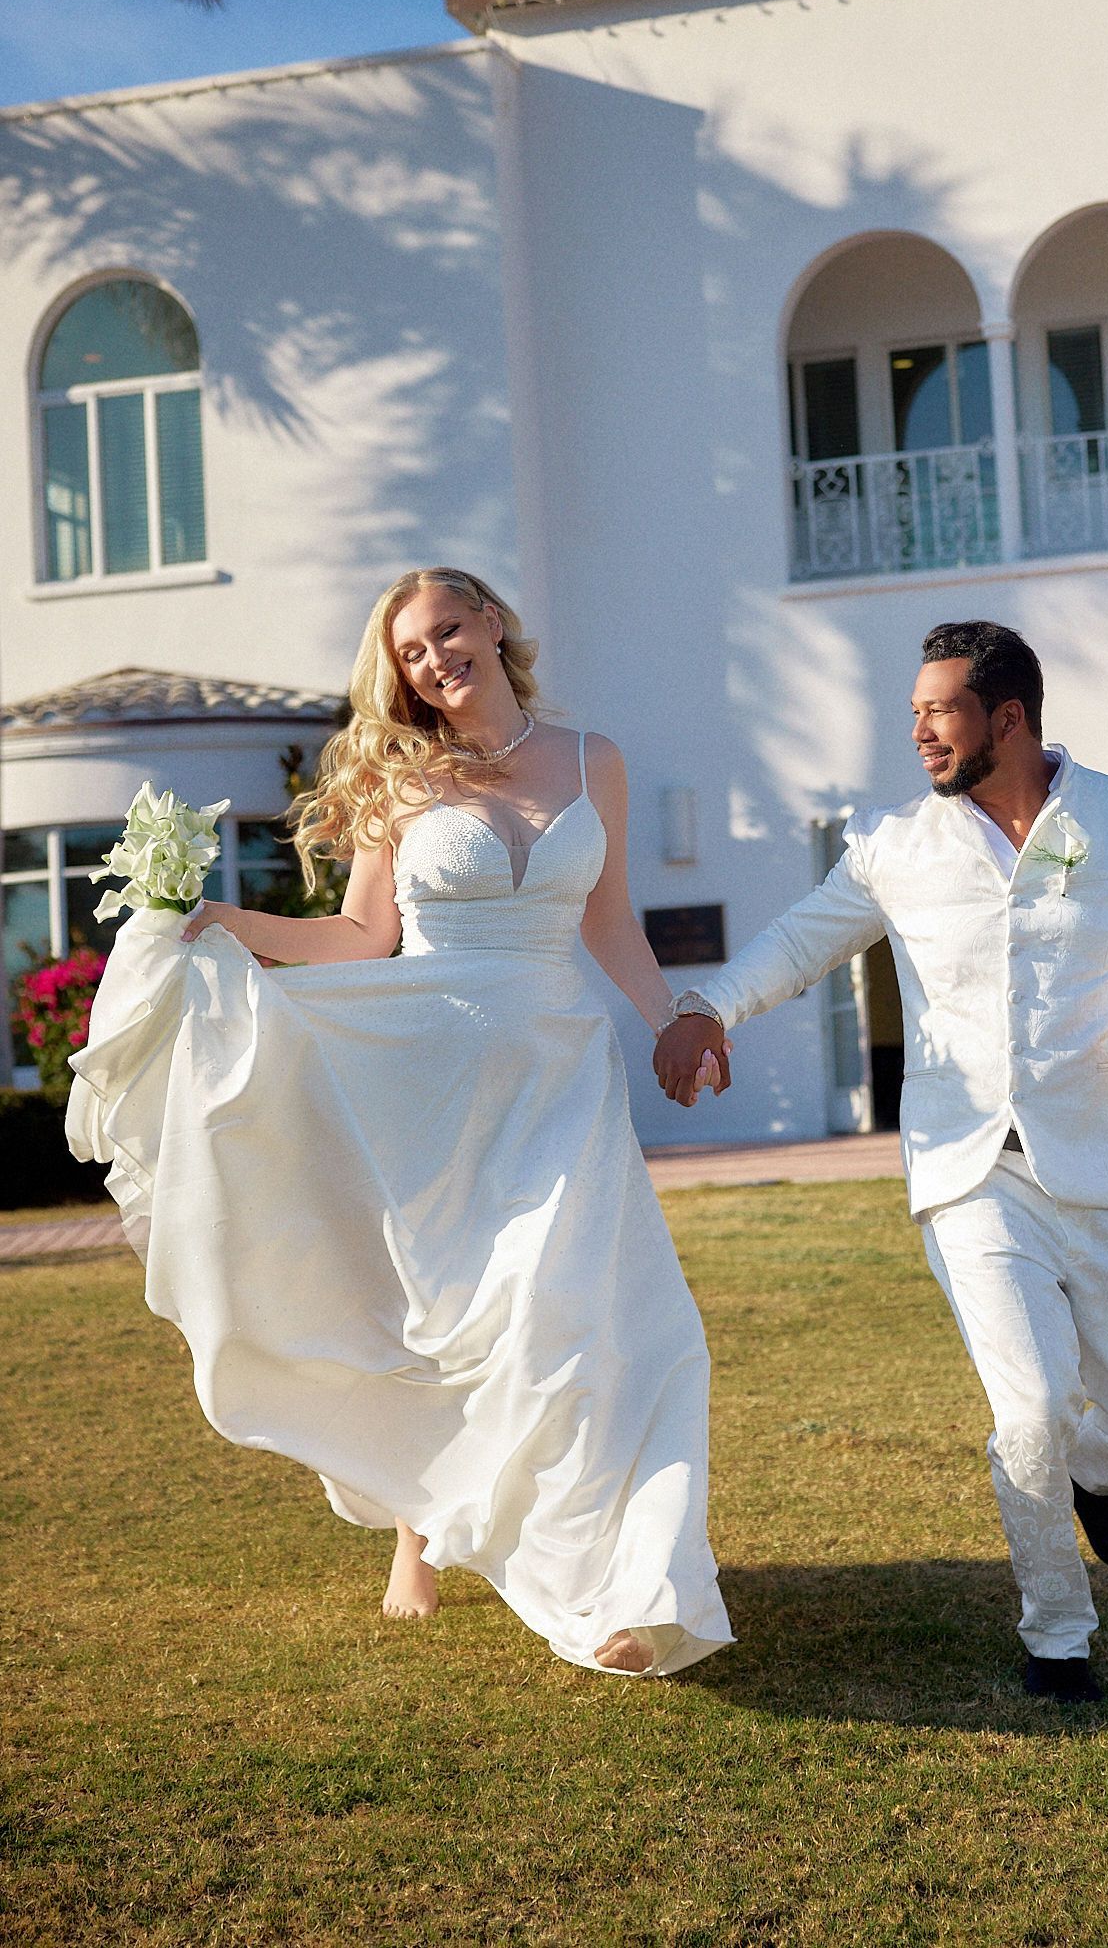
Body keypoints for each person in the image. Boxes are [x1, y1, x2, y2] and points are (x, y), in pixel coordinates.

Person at [68, 567, 731, 1679]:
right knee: (439, 1311)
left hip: (563, 1074)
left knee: (572, 1323)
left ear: (494, 624)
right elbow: (361, 936)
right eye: (413, 651)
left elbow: (610, 920)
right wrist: (221, 919)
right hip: (428, 1073)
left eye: (448, 631)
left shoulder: (593, 760)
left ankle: (619, 1589)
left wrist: (681, 1013)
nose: (434, 660)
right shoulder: (399, 779)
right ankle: (419, 1532)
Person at [655, 620, 1108, 1703]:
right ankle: (1057, 1637)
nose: (918, 728)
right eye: (917, 708)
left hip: (1107, 1162)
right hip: (969, 1171)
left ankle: (1086, 1474)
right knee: (1026, 1409)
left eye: (940, 708)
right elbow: (796, 942)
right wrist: (704, 1004)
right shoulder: (894, 842)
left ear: (1009, 717)